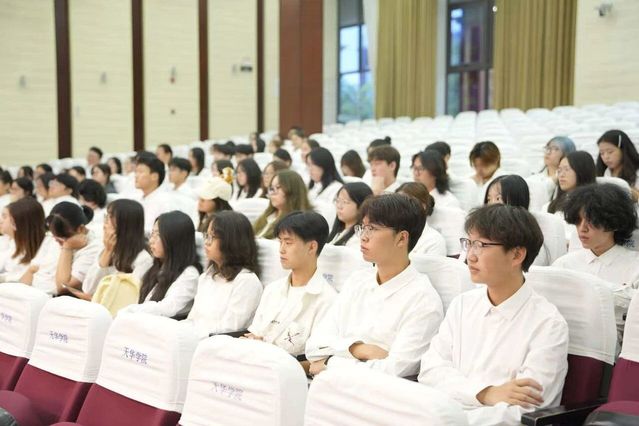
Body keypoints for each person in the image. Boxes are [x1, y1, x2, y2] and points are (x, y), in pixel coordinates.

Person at [418, 204, 569, 426]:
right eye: (469, 243)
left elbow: (526, 409)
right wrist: (486, 393)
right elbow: (430, 371)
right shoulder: (462, 304)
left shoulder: (548, 324)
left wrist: (456, 417)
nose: (470, 256)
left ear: (517, 254)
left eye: (481, 245)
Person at [306, 193, 444, 377]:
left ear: (402, 238)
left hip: (371, 392)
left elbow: (392, 370)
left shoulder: (423, 301)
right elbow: (314, 346)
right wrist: (358, 349)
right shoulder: (358, 280)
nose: (363, 237)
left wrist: (328, 362)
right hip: (329, 385)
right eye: (363, 227)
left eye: (372, 229)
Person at [245, 211, 336, 369]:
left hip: (288, 376)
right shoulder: (273, 289)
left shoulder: (328, 300)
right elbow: (254, 334)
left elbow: (317, 362)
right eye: (280, 242)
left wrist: (271, 358)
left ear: (312, 247)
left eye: (288, 243)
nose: (281, 249)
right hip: (255, 367)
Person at [553, 183, 639, 342]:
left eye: (591, 221)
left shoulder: (635, 268)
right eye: (578, 221)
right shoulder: (564, 266)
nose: (582, 229)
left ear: (614, 223)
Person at [187, 211, 263, 338]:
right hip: (193, 339)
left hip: (217, 345)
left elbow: (229, 330)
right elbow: (192, 319)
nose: (207, 242)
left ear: (232, 242)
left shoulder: (246, 282)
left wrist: (191, 337)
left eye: (213, 237)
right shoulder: (207, 276)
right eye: (206, 236)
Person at [120, 211, 202, 318]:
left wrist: (131, 310)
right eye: (152, 234)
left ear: (175, 239)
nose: (151, 240)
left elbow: (167, 308)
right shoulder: (156, 265)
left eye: (157, 235)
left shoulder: (189, 274)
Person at [78, 199, 153, 299]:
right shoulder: (106, 247)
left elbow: (128, 297)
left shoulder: (143, 259)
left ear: (124, 225)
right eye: (106, 217)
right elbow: (88, 288)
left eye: (109, 218)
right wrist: (107, 251)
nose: (105, 224)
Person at [485, 175, 565, 266]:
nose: (491, 205)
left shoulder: (530, 237)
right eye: (489, 199)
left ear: (516, 199)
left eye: (498, 198)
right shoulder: (484, 231)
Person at [0, 198, 58, 291]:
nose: (1, 221)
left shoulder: (51, 244)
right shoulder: (13, 242)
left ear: (19, 223)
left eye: (4, 217)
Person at [47, 202, 102, 295]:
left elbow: (63, 287)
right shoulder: (58, 235)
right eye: (54, 236)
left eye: (62, 237)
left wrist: (67, 247)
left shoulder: (94, 248)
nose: (57, 240)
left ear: (81, 229)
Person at [254, 170, 312, 239]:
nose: (272, 193)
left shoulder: (300, 222)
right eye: (271, 188)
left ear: (292, 191)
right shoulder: (268, 215)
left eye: (278, 187)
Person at [396, 182, 447, 256]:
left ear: (422, 206)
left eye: (404, 203)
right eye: (397, 204)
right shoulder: (388, 232)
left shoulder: (434, 240)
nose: (399, 208)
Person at [527, 136, 576, 201]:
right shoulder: (533, 179)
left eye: (556, 149)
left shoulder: (570, 181)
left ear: (566, 153)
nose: (548, 152)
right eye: (547, 148)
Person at [327, 182, 373, 248]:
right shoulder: (336, 231)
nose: (339, 206)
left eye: (345, 202)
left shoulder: (360, 237)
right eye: (338, 200)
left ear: (362, 206)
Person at [596, 130, 639, 199]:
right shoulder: (603, 173)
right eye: (602, 153)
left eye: (610, 152)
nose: (606, 157)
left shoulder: (637, 172)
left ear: (623, 150)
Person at [135, 155, 172, 232]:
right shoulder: (137, 199)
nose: (136, 175)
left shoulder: (165, 202)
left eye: (140, 172)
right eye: (136, 172)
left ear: (154, 176)